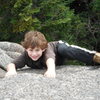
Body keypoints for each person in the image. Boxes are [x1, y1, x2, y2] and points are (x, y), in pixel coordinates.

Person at [5, 31, 100, 78]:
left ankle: (94, 57)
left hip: (59, 48)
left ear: (43, 49)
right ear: (26, 49)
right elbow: (11, 64)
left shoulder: (48, 50)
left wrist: (51, 70)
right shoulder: (26, 55)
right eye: (30, 50)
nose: (34, 54)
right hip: (59, 61)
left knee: (65, 50)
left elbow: (49, 59)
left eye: (37, 50)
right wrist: (11, 71)